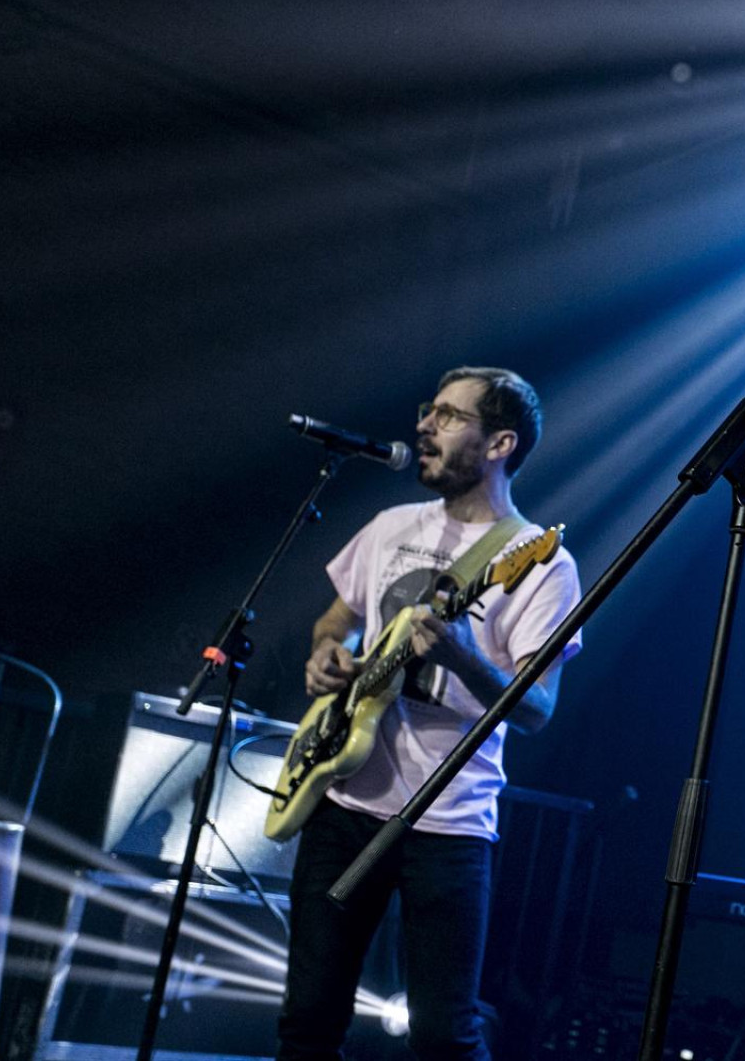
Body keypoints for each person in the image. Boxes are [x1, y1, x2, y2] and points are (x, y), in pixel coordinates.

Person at [277, 366, 582, 1061]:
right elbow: (337, 621)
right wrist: (328, 654)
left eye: (447, 416)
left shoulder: (540, 563)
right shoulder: (391, 526)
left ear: (500, 442)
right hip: (343, 802)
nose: (424, 426)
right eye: (428, 411)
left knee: (445, 1035)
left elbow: (536, 710)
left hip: (449, 821)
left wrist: (464, 654)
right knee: (307, 1021)